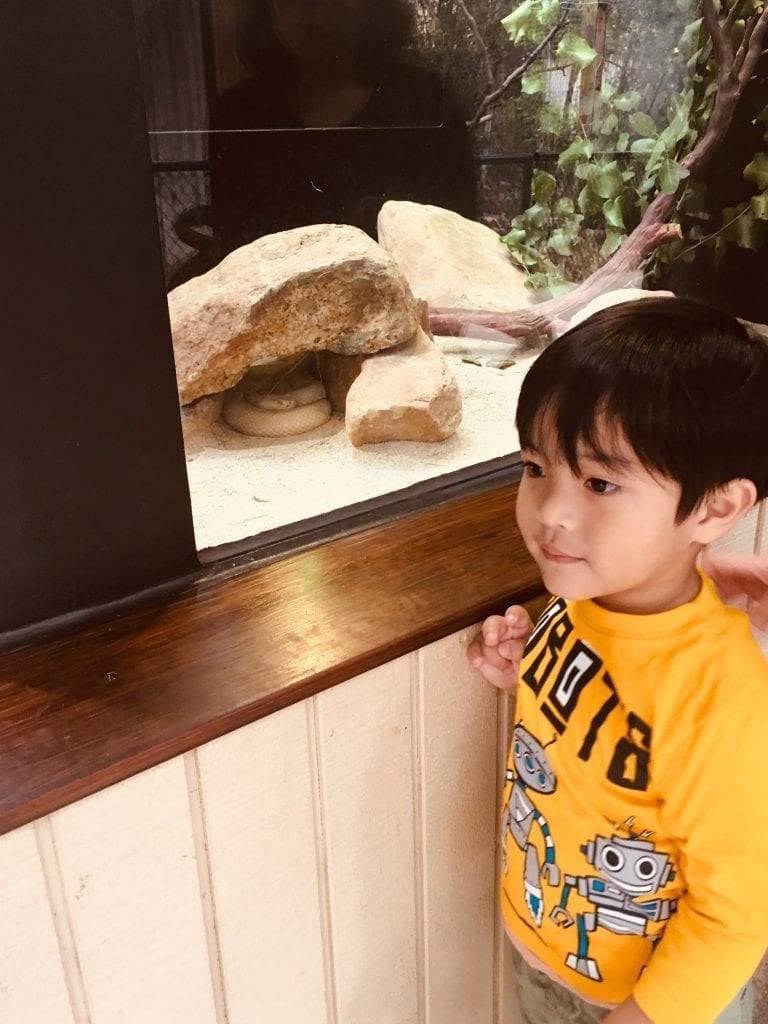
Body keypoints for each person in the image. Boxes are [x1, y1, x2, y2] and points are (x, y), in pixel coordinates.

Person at [467, 297, 768, 1024]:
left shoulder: (718, 697)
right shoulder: (583, 600)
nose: (551, 513)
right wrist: (522, 666)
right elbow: (594, 723)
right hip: (548, 943)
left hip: (654, 1003)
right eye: (536, 467)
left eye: (600, 483)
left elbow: (740, 913)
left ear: (717, 510)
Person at [203, 0, 477, 263]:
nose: (309, 9)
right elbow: (234, 248)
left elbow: (456, 241)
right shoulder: (239, 111)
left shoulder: (427, 102)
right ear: (268, 10)